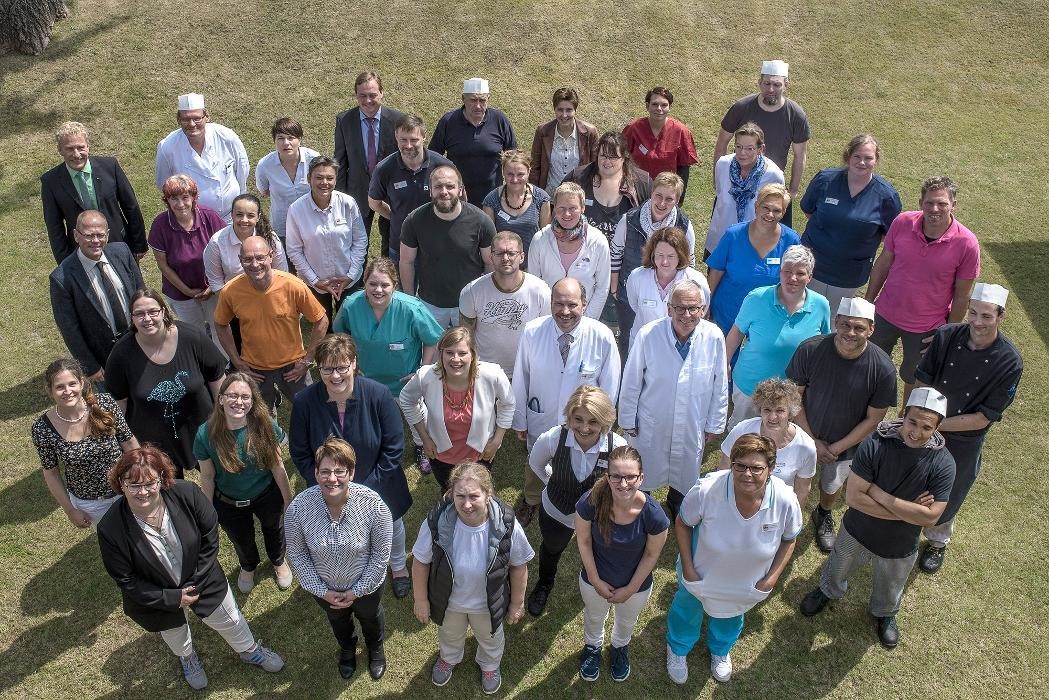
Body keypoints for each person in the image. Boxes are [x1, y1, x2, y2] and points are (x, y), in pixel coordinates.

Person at [97, 446, 285, 690]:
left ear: (162, 479)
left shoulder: (186, 493)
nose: (142, 492)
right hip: (158, 598)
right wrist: (173, 598)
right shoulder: (110, 528)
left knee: (230, 619)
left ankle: (249, 650)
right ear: (120, 484)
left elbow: (210, 534)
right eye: (133, 485)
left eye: (150, 483)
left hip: (204, 578)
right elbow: (126, 579)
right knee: (175, 634)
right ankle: (188, 658)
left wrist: (197, 580)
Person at [799, 389, 956, 649]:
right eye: (912, 422)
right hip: (857, 529)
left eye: (926, 427)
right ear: (903, 415)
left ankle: (885, 613)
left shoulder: (944, 464)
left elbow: (931, 518)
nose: (915, 432)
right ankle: (828, 591)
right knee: (838, 566)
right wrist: (909, 512)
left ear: (938, 428)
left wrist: (879, 493)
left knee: (891, 583)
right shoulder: (876, 443)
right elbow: (854, 499)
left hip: (900, 543)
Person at [665, 434, 801, 684]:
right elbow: (683, 523)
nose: (747, 474)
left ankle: (720, 650)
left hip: (746, 581)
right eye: (740, 465)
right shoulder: (706, 490)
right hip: (701, 570)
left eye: (757, 468)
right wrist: (688, 568)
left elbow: (789, 539)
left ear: (770, 469)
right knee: (687, 608)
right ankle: (678, 647)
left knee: (732, 614)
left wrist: (771, 579)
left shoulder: (785, 500)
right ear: (732, 464)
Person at [289, 334, 413, 599]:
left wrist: (363, 492)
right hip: (328, 488)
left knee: (392, 523)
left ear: (354, 363)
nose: (335, 376)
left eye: (342, 367)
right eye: (327, 369)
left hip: (380, 482)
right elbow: (300, 453)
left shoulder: (379, 395)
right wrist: (324, 486)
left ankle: (399, 565)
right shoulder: (303, 403)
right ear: (318, 369)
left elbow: (393, 448)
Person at [912, 282, 1023, 574]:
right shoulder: (947, 335)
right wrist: (920, 417)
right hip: (927, 422)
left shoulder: (1010, 361)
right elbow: (923, 377)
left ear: (1001, 316)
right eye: (973, 313)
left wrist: (932, 425)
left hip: (964, 439)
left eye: (986, 316)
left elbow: (984, 416)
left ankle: (937, 541)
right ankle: (906, 527)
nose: (977, 322)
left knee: (951, 489)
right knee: (912, 477)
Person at [787, 297, 898, 553]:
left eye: (859, 328)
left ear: (871, 329)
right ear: (836, 322)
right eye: (846, 325)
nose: (851, 332)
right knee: (789, 476)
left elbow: (874, 418)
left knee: (831, 485)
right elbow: (794, 396)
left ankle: (823, 513)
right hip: (800, 434)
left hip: (845, 446)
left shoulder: (882, 369)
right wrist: (812, 440)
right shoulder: (810, 350)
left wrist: (835, 449)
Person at [412, 462, 533, 694]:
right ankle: (450, 657)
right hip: (449, 603)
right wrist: (421, 600)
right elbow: (420, 562)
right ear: (451, 495)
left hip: (488, 605)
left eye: (474, 496)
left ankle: (489, 665)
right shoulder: (436, 521)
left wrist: (517, 604)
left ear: (488, 494)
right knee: (449, 634)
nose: (466, 504)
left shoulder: (507, 524)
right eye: (460, 496)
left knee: (491, 638)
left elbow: (519, 566)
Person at [511, 278, 621, 526]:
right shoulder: (532, 332)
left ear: (584, 304)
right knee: (536, 461)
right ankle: (531, 500)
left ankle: (581, 504)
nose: (565, 311)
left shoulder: (602, 336)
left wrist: (603, 424)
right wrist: (519, 419)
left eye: (572, 304)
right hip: (541, 415)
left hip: (584, 424)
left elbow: (610, 386)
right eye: (558, 304)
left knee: (578, 466)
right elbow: (520, 378)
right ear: (550, 303)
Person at [866, 176, 980, 407]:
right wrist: (868, 303)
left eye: (942, 204)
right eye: (929, 203)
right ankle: (865, 407)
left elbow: (962, 295)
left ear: (953, 205)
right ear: (920, 203)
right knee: (869, 366)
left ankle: (905, 421)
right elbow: (884, 263)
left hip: (927, 328)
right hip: (885, 314)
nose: (934, 209)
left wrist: (948, 333)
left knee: (916, 378)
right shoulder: (902, 222)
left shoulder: (967, 244)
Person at [284, 437, 393, 681]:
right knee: (338, 620)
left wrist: (357, 592)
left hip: (366, 588)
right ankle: (347, 648)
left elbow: (379, 557)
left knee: (371, 616)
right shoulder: (298, 510)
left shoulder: (375, 507)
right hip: (325, 590)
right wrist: (322, 591)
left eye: (339, 471)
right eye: (325, 471)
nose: (332, 478)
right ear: (315, 472)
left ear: (351, 473)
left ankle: (375, 647)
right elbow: (299, 556)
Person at [618, 279, 728, 519]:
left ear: (703, 310)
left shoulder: (714, 337)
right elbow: (632, 380)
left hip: (692, 421)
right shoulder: (649, 335)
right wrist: (627, 418)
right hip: (651, 421)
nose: (686, 315)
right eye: (679, 308)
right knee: (646, 465)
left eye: (693, 308)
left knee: (686, 470)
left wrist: (714, 423)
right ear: (669, 309)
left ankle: (677, 502)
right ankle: (642, 504)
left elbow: (720, 384)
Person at [332, 258, 443, 474]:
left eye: (385, 284)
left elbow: (432, 339)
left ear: (395, 285)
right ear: (364, 283)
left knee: (415, 416)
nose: (378, 290)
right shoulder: (351, 305)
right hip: (366, 379)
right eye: (372, 284)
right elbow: (341, 334)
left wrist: (421, 370)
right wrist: (350, 364)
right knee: (369, 416)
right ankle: (376, 445)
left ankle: (421, 445)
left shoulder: (411, 309)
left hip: (404, 381)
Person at [527, 385, 627, 616]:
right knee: (552, 549)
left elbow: (623, 481)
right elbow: (536, 464)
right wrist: (554, 481)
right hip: (557, 512)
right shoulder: (553, 438)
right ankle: (544, 583)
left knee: (596, 552)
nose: (584, 428)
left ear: (605, 421)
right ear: (569, 417)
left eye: (593, 421)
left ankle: (592, 583)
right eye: (578, 419)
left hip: (597, 517)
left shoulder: (618, 447)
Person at [105, 289, 226, 478]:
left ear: (163, 311)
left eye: (153, 311)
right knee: (169, 496)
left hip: (203, 432)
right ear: (132, 318)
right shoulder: (121, 354)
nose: (147, 319)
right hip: (154, 444)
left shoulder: (191, 337)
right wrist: (130, 449)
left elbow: (218, 378)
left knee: (218, 482)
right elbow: (119, 405)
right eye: (139, 314)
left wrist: (224, 421)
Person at [575, 445, 669, 682]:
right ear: (607, 477)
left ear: (641, 478)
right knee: (594, 618)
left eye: (630, 477)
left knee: (627, 621)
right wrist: (595, 580)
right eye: (616, 476)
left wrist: (630, 589)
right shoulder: (591, 502)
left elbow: (651, 556)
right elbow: (584, 541)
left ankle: (619, 647)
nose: (623, 483)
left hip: (636, 587)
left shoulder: (654, 515)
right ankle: (593, 647)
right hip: (594, 580)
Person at [195, 373, 294, 594]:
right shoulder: (205, 434)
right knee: (241, 538)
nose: (238, 402)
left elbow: (278, 466)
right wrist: (207, 512)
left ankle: (278, 561)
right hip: (229, 502)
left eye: (245, 397)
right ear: (220, 399)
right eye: (232, 395)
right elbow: (208, 477)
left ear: (252, 401)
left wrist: (288, 500)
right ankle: (248, 566)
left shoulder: (264, 423)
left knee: (274, 529)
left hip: (266, 495)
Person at [214, 236, 328, 410]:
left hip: (293, 368)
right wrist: (237, 362)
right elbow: (220, 324)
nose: (254, 264)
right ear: (240, 260)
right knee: (260, 421)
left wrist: (307, 361)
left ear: (271, 256)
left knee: (313, 411)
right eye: (248, 259)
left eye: (260, 257)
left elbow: (321, 320)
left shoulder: (293, 285)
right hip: (254, 371)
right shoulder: (230, 291)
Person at [725, 245, 830, 430]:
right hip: (750, 387)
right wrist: (724, 363)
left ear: (810, 277)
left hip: (791, 394)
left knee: (778, 443)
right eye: (787, 271)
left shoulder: (821, 305)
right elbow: (735, 334)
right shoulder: (756, 298)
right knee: (742, 438)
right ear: (780, 271)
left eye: (800, 273)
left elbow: (823, 346)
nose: (792, 278)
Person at [398, 327, 515, 491]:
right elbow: (406, 399)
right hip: (440, 454)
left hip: (480, 454)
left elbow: (508, 403)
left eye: (462, 353)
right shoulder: (426, 376)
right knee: (449, 490)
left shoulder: (492, 375)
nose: (455, 359)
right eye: (449, 352)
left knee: (476, 492)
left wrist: (497, 440)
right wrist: (423, 438)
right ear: (441, 354)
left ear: (473, 354)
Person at [800, 134, 903, 312]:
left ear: (876, 160)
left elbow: (889, 235)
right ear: (848, 157)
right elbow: (808, 209)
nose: (862, 162)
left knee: (833, 322)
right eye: (857, 156)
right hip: (811, 267)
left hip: (848, 276)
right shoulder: (825, 180)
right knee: (803, 313)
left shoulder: (886, 196)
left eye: (868, 158)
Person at [32, 358, 139, 528]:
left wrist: (139, 481)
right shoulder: (43, 428)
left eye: (72, 384)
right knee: (118, 548)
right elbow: (51, 473)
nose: (67, 391)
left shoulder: (104, 404)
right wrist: (70, 510)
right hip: (91, 505)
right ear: (50, 391)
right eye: (60, 387)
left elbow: (130, 444)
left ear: (81, 383)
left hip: (127, 490)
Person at [49, 210, 145, 384]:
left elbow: (142, 294)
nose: (95, 241)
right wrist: (90, 366)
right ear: (76, 236)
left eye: (100, 235)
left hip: (141, 341)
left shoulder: (122, 251)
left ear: (107, 234)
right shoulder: (62, 278)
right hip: (105, 358)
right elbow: (70, 329)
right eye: (88, 235)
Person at [714, 60, 810, 226]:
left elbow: (800, 155)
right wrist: (717, 179)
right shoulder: (741, 107)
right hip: (737, 181)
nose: (771, 89)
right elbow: (722, 143)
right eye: (766, 83)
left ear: (786, 84)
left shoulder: (795, 114)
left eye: (776, 84)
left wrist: (793, 190)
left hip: (771, 183)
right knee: (724, 227)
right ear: (759, 83)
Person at [399, 164, 495, 327]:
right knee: (431, 351)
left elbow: (490, 262)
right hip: (429, 305)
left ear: (460, 189)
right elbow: (406, 261)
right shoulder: (414, 220)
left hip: (468, 304)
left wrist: (484, 298)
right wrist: (410, 300)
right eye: (438, 187)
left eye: (450, 186)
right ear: (430, 190)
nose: (444, 192)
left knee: (467, 350)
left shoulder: (481, 221)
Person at [610, 171, 696, 348]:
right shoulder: (628, 220)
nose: (662, 203)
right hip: (629, 295)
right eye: (658, 196)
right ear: (651, 193)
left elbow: (690, 263)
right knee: (629, 340)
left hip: (669, 298)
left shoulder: (684, 226)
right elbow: (615, 254)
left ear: (677, 201)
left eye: (669, 199)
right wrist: (614, 289)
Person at [41, 120, 147, 263]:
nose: (76, 154)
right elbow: (54, 227)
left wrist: (139, 244)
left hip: (120, 244)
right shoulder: (51, 182)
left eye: (81, 147)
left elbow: (131, 207)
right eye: (70, 149)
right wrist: (65, 262)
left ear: (88, 146)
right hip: (81, 254)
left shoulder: (110, 167)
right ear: (60, 149)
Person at [707, 183, 800, 336]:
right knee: (724, 357)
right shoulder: (733, 235)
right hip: (728, 311)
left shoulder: (791, 240)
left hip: (767, 315)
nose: (770, 214)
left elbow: (795, 279)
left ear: (783, 213)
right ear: (757, 206)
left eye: (776, 210)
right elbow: (716, 271)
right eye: (766, 207)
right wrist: (706, 303)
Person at [286, 155, 368, 323]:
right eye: (319, 177)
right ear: (309, 178)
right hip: (315, 282)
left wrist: (351, 276)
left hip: (348, 280)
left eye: (330, 178)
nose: (325, 182)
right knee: (322, 325)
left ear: (336, 180)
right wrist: (316, 281)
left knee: (349, 325)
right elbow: (294, 251)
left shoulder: (348, 203)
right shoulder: (296, 210)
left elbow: (360, 241)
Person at [148, 174, 226, 347]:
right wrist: (188, 291)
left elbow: (224, 253)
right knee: (194, 333)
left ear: (194, 197)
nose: (180, 204)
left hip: (213, 288)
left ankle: (225, 365)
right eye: (174, 198)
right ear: (166, 200)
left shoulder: (210, 217)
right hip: (180, 293)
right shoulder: (160, 225)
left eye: (185, 197)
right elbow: (163, 265)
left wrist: (212, 287)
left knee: (219, 326)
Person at [459, 231, 551, 376]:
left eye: (511, 253)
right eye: (499, 253)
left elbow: (548, 335)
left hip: (527, 371)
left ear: (521, 257)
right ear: (491, 257)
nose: (505, 258)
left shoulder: (541, 291)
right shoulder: (472, 291)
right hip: (484, 371)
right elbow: (465, 336)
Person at [335, 71, 407, 258]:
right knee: (356, 245)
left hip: (390, 194)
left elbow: (405, 158)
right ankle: (357, 284)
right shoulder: (345, 121)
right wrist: (340, 197)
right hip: (357, 193)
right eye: (362, 96)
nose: (368, 101)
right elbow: (340, 162)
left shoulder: (398, 120)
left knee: (391, 243)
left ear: (382, 93)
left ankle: (387, 283)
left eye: (373, 95)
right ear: (356, 95)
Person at [367, 114, 453, 262]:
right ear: (396, 137)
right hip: (401, 247)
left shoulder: (443, 166)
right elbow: (374, 202)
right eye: (403, 140)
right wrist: (396, 216)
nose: (408, 145)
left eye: (414, 140)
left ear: (424, 137)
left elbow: (460, 200)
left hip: (438, 246)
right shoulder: (384, 169)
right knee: (402, 286)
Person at [718, 378, 816, 507]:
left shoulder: (806, 447)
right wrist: (721, 503)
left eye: (780, 411)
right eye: (767, 410)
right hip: (738, 499)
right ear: (760, 410)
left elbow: (802, 488)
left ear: (791, 414)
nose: (772, 417)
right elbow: (724, 468)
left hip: (777, 505)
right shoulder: (742, 430)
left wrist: (793, 519)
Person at [155, 93, 248, 222]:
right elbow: (164, 184)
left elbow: (242, 170)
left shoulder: (227, 137)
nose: (192, 124)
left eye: (197, 118)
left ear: (207, 116)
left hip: (230, 218)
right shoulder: (167, 147)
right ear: (178, 119)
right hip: (194, 222)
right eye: (185, 119)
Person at [527, 182, 610, 320]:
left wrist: (587, 321)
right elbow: (534, 286)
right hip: (548, 319)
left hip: (584, 320)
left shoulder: (598, 242)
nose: (567, 214)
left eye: (573, 208)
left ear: (582, 208)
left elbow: (602, 288)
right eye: (561, 208)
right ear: (554, 208)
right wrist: (546, 320)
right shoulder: (540, 240)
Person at [429, 78, 518, 207]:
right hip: (457, 197)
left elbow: (513, 156)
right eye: (473, 100)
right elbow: (433, 156)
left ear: (488, 99)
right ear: (463, 99)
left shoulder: (499, 120)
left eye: (482, 100)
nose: (477, 106)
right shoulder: (448, 122)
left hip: (493, 198)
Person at [563, 131, 652, 249]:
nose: (607, 162)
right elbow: (558, 211)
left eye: (613, 157)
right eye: (603, 156)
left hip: (625, 258)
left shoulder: (642, 183)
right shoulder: (578, 178)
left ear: (624, 158)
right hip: (583, 253)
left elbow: (654, 219)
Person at [624, 226, 709, 349]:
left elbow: (700, 312)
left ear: (680, 255)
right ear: (652, 254)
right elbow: (634, 305)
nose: (664, 262)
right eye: (660, 255)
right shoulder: (637, 277)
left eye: (671, 256)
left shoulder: (697, 281)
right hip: (644, 345)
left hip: (681, 347)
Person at [707, 123, 785, 255]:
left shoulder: (773, 175)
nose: (742, 153)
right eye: (739, 147)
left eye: (750, 149)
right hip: (721, 239)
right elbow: (720, 196)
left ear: (761, 149)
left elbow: (775, 212)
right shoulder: (722, 165)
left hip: (753, 245)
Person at [202, 193, 290, 295]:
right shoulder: (216, 243)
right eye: (239, 214)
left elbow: (282, 274)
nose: (244, 220)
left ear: (258, 217)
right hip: (234, 299)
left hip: (268, 295)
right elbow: (216, 283)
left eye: (250, 215)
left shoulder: (271, 238)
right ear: (232, 215)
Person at [255, 117, 320, 242]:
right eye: (280, 138)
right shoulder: (265, 165)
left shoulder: (314, 159)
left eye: (291, 138)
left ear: (299, 140)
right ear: (274, 141)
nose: (286, 143)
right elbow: (264, 191)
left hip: (312, 224)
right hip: (282, 226)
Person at [622, 87, 698, 191]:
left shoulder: (681, 131)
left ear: (669, 107)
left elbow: (684, 169)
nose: (659, 108)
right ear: (647, 106)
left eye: (664, 105)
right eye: (654, 104)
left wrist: (679, 198)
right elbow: (621, 157)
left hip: (666, 191)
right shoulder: (633, 128)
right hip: (636, 188)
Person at [529, 87, 600, 195]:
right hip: (548, 198)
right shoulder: (543, 131)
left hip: (577, 200)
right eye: (560, 109)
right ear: (554, 109)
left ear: (575, 110)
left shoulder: (590, 133)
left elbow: (596, 167)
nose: (564, 115)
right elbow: (535, 167)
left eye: (569, 110)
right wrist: (534, 194)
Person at [482, 150, 551, 255]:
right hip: (503, 263)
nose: (515, 179)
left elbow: (546, 237)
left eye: (520, 174)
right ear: (503, 172)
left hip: (533, 262)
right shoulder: (491, 200)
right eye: (510, 174)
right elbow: (489, 240)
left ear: (529, 172)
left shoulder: (541, 199)